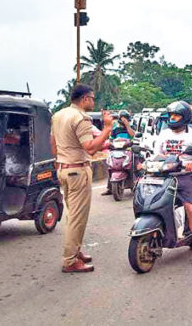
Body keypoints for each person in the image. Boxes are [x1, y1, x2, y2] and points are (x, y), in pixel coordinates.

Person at [50, 84, 114, 273]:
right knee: (77, 218)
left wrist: (59, 160)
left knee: (73, 215)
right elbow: (91, 148)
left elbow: (53, 142)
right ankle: (70, 261)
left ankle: (75, 251)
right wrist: (108, 128)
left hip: (63, 168)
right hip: (77, 170)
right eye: (92, 98)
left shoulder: (59, 115)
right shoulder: (81, 118)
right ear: (85, 98)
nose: (93, 102)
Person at [152, 101, 192, 269]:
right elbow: (158, 155)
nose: (172, 118)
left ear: (184, 118)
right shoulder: (163, 134)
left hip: (188, 176)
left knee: (191, 209)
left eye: (176, 115)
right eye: (171, 115)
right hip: (165, 175)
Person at [101, 110, 136, 196]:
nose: (124, 120)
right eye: (123, 118)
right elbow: (111, 139)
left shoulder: (131, 127)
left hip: (128, 150)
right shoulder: (115, 129)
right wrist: (110, 144)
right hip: (116, 150)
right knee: (111, 167)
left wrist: (127, 125)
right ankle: (109, 188)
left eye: (125, 119)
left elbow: (133, 135)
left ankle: (136, 183)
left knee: (134, 164)